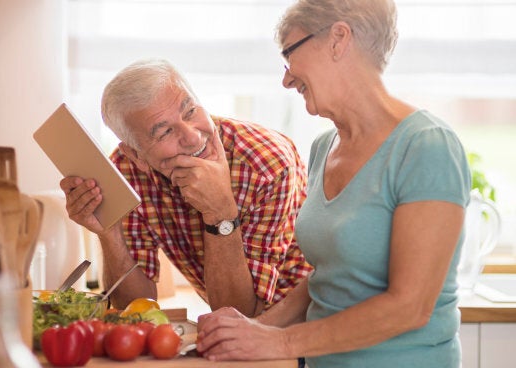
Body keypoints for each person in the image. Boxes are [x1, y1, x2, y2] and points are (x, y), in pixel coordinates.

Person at [195, 1, 471, 367]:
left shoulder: (426, 145)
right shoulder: (324, 147)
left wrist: (280, 343)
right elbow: (328, 279)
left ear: (338, 39)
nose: (286, 78)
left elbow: (411, 307)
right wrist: (253, 330)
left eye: (289, 54)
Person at [60, 58, 311, 317]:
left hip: (305, 322)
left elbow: (241, 314)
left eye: (190, 111)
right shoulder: (126, 171)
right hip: (234, 330)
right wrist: (109, 233)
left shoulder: (266, 164)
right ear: (136, 155)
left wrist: (221, 212)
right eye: (165, 132)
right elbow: (135, 308)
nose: (192, 137)